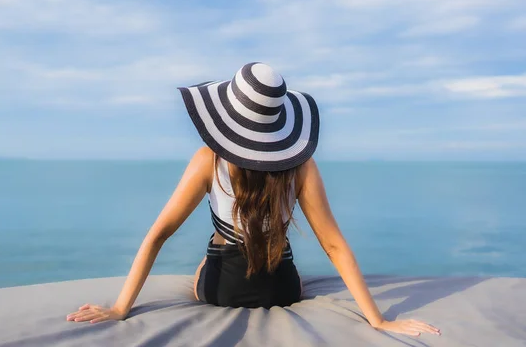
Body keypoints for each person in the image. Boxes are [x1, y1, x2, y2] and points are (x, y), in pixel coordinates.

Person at [66, 63, 441, 337]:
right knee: (275, 248)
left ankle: (214, 262)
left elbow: (158, 235)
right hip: (281, 289)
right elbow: (333, 245)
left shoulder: (207, 160)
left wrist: (119, 308)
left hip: (220, 290)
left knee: (210, 254)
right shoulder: (302, 166)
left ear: (229, 116)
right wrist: (378, 320)